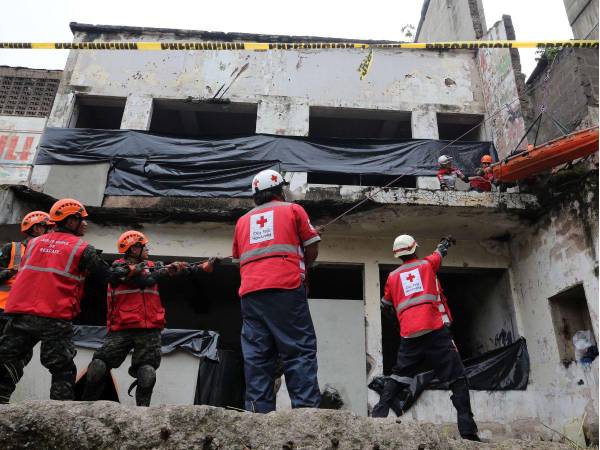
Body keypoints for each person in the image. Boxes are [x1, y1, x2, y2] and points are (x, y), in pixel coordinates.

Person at [0, 198, 132, 403]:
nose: (86, 224)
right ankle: (58, 416)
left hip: (21, 314)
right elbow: (109, 277)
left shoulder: (33, 243)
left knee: (7, 357)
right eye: (82, 219)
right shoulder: (81, 248)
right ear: (70, 222)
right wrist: (128, 268)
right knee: (62, 368)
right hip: (54, 317)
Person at [82, 230, 219, 406]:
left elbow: (170, 271)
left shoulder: (151, 266)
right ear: (132, 250)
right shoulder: (118, 268)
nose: (147, 249)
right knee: (103, 366)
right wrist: (164, 272)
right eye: (143, 246)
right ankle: (89, 406)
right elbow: (141, 280)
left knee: (144, 371)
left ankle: (133, 414)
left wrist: (201, 267)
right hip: (130, 328)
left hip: (141, 329)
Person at [372, 234, 480, 442]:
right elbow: (440, 252)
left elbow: (385, 305)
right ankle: (467, 431)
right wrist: (445, 242)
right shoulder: (427, 265)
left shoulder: (393, 277)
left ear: (398, 255)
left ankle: (378, 415)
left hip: (409, 335)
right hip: (435, 331)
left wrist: (399, 322)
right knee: (457, 379)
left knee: (398, 376)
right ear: (414, 250)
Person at [232, 169, 321, 413]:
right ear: (280, 190)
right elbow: (312, 250)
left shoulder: (242, 221)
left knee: (257, 356)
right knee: (298, 350)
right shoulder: (293, 210)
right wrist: (304, 258)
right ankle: (306, 412)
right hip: (286, 288)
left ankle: (256, 411)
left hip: (250, 294)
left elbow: (243, 256)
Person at [0, 211, 54, 402]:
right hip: (3, 311)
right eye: (48, 227)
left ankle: (2, 397)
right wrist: (8, 273)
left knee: (18, 359)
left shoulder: (50, 253)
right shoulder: (12, 248)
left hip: (26, 314)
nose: (52, 232)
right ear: (36, 227)